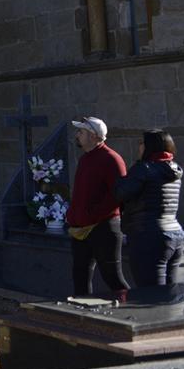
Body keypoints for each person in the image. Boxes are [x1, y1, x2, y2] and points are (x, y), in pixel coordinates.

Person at [66, 116, 129, 299]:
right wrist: (73, 215)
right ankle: (83, 318)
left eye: (81, 132)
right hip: (80, 229)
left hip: (104, 228)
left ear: (93, 136)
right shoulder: (85, 159)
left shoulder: (111, 159)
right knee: (80, 277)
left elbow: (117, 195)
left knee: (113, 278)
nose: (77, 135)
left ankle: (132, 314)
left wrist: (92, 215)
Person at [114, 130, 183, 288]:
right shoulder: (174, 169)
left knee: (150, 293)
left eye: (141, 143)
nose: (139, 146)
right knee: (168, 294)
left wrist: (119, 179)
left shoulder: (143, 168)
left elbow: (121, 193)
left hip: (148, 236)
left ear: (149, 146)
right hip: (175, 234)